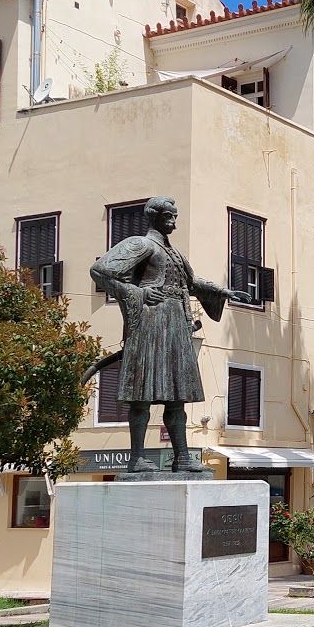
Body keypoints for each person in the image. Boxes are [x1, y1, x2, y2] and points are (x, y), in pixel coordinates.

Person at [90, 196, 246, 476]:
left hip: (176, 323)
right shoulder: (141, 244)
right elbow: (101, 271)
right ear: (154, 217)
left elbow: (190, 283)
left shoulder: (174, 252)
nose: (173, 222)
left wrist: (222, 292)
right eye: (168, 217)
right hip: (151, 322)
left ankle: (182, 457)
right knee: (142, 395)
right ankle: (137, 457)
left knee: (177, 396)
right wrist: (138, 292)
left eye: (175, 216)